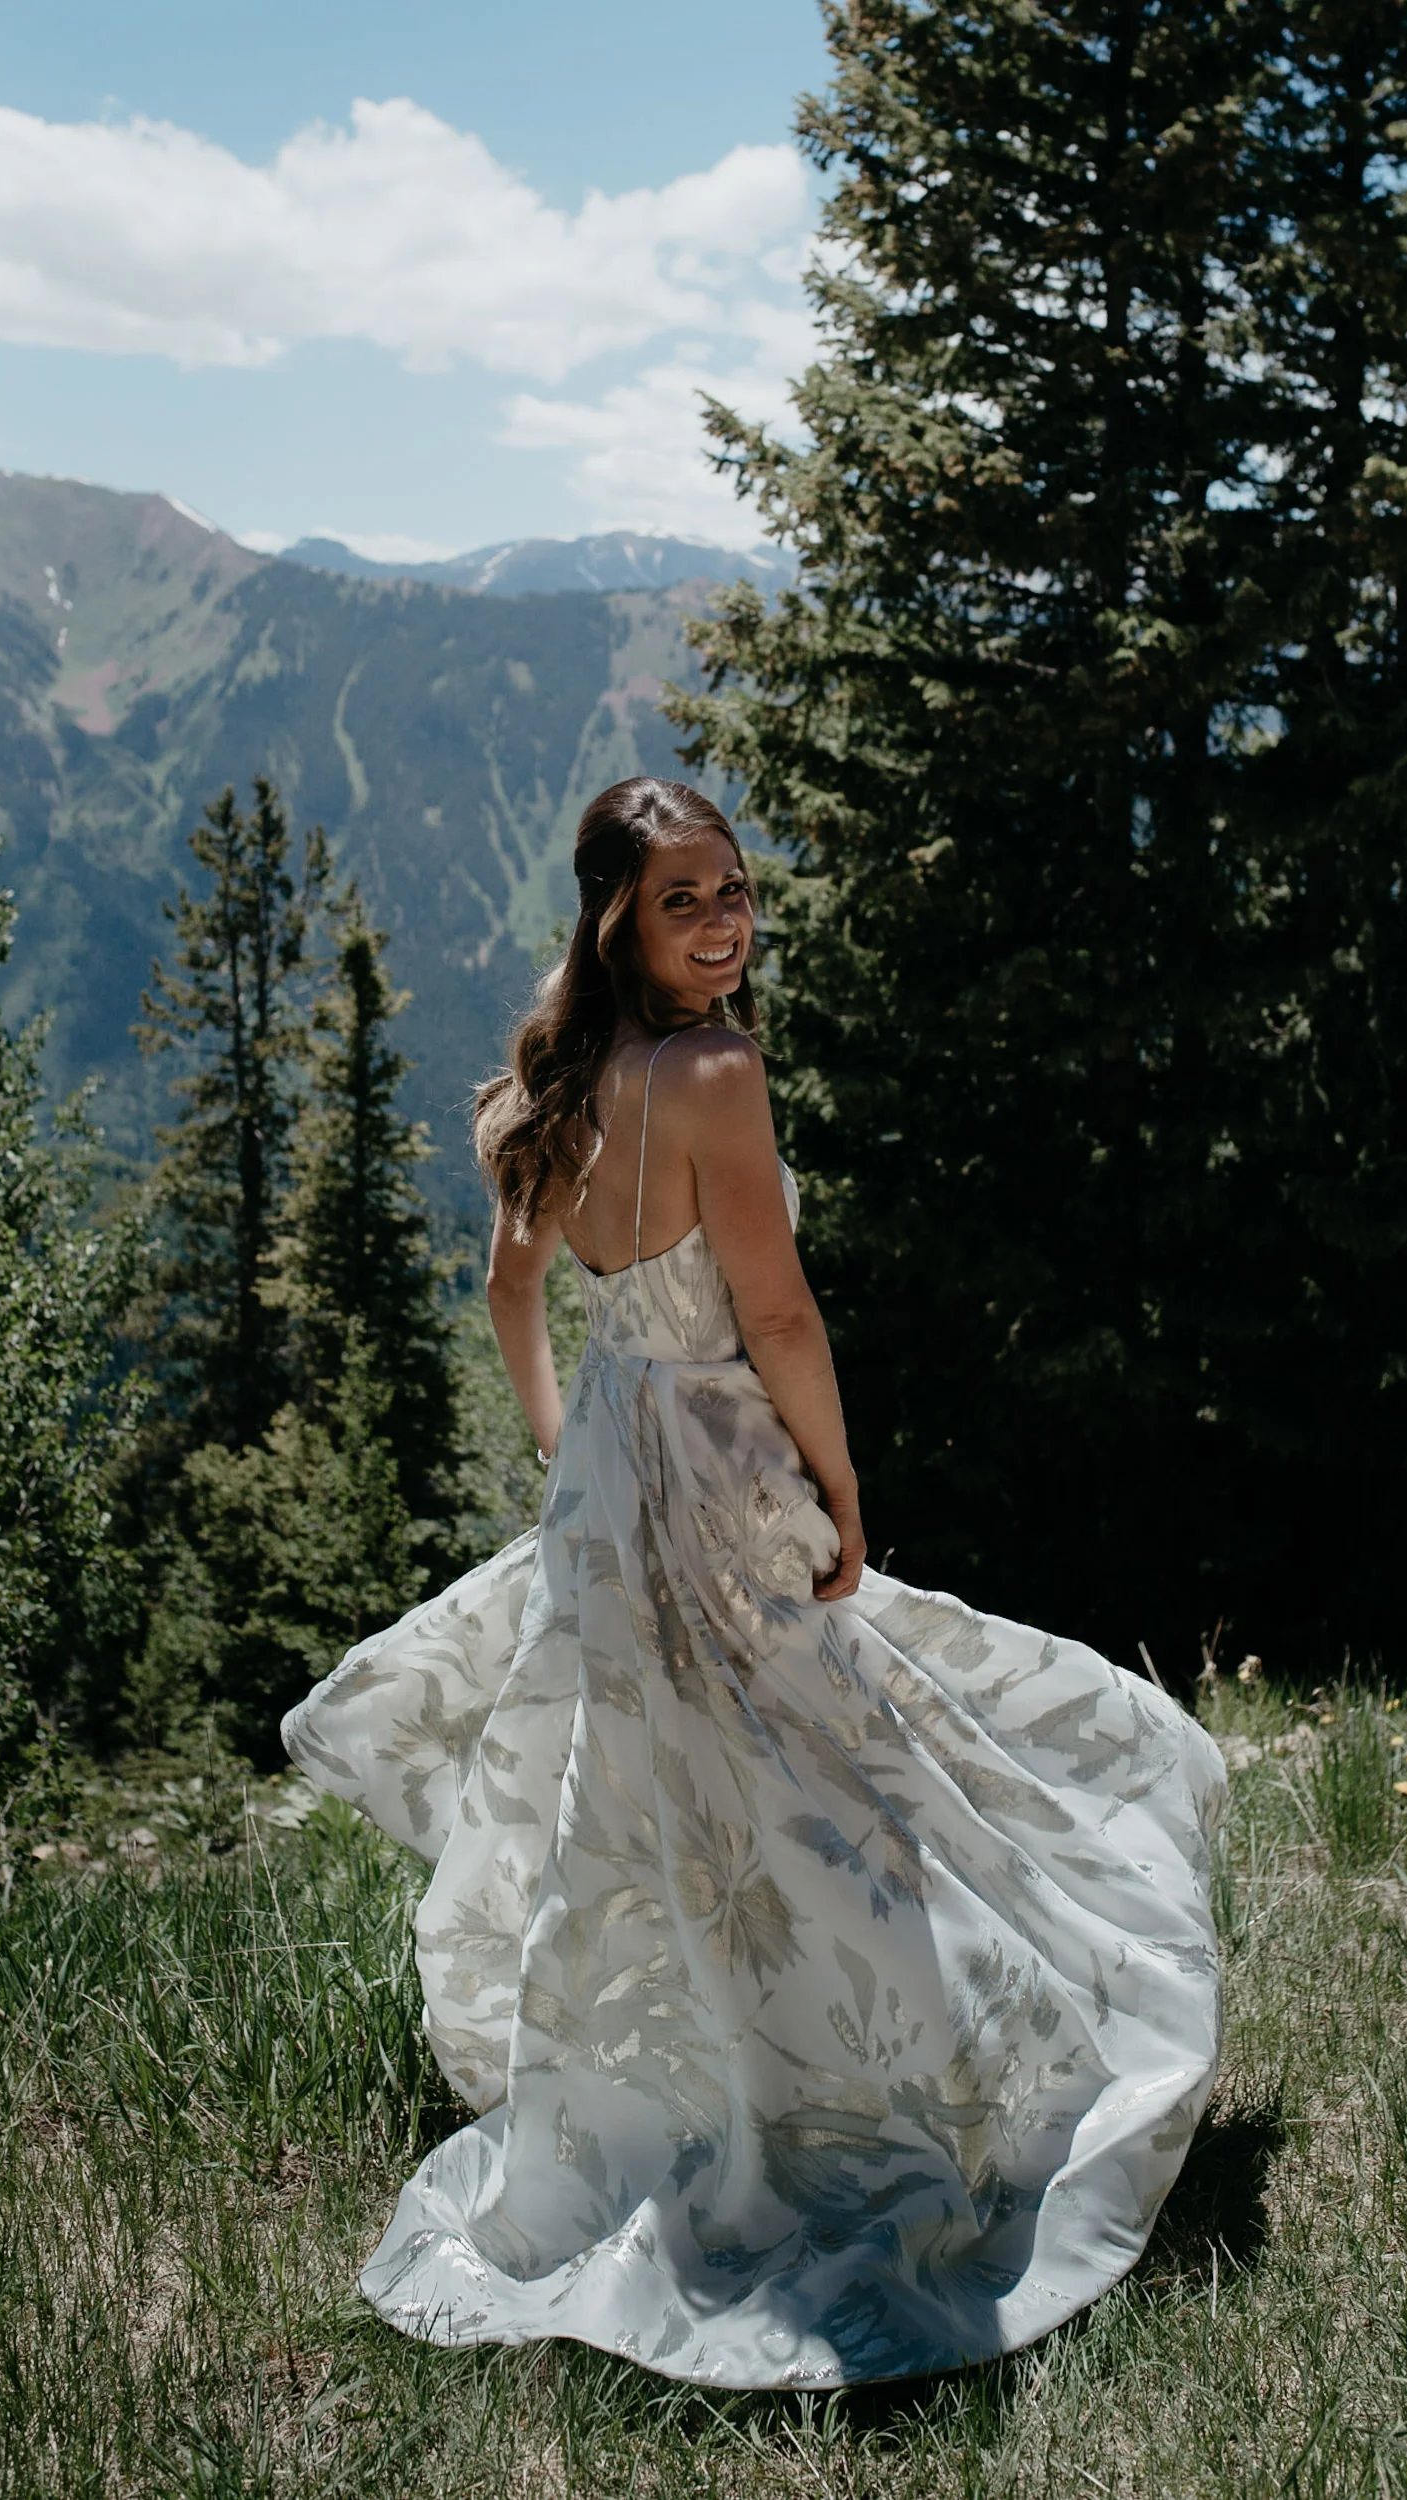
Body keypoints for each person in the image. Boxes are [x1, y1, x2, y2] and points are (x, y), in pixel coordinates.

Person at [282, 775, 1226, 2389]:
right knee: (824, 1756)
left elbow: (516, 1295)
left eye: (734, 891)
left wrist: (569, 1452)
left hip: (615, 1475)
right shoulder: (712, 1072)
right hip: (722, 1459)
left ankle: (703, 2058)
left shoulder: (540, 1101)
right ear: (615, 921)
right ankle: (876, 2067)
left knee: (666, 1782)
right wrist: (839, 1482)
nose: (724, 925)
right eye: (684, 901)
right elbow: (776, 1318)